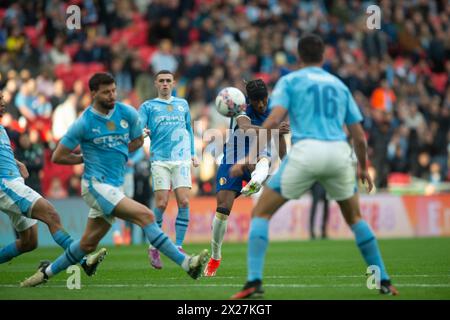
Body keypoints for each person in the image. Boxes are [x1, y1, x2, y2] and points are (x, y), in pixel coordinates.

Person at [229, 34, 398, 299]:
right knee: (355, 219)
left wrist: (249, 155)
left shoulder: (291, 81)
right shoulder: (339, 85)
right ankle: (384, 279)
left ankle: (254, 282)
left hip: (307, 151)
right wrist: (363, 167)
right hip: (339, 154)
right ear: (323, 57)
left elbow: (273, 120)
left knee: (261, 213)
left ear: (298, 56)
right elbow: (357, 134)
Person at [20, 73, 208, 287]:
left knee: (87, 244)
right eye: (106, 92)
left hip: (114, 186)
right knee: (146, 214)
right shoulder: (84, 123)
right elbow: (58, 156)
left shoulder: (126, 112)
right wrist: (84, 157)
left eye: (113, 91)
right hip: (95, 185)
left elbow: (138, 140)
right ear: (93, 93)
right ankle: (187, 263)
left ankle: (45, 274)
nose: (112, 96)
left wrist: (120, 151)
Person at [0, 90, 102, 276]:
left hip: (13, 182)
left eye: (2, 98)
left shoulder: (2, 129)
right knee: (51, 215)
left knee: (29, 242)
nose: (3, 103)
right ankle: (84, 261)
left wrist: (17, 163)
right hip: (6, 185)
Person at [203, 79, 289, 277]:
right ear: (249, 100)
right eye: (256, 101)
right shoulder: (242, 110)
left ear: (267, 97)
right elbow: (245, 128)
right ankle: (216, 257)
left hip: (257, 156)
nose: (261, 104)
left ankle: (255, 182)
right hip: (233, 159)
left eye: (263, 100)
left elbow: (280, 143)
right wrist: (274, 130)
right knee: (223, 209)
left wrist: (287, 166)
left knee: (263, 159)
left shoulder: (274, 112)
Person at [138, 70, 199, 269]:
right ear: (156, 84)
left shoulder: (183, 104)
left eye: (168, 81)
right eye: (161, 81)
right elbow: (138, 129)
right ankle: (154, 246)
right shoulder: (148, 106)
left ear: (173, 83)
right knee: (162, 203)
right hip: (160, 160)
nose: (165, 84)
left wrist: (193, 152)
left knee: (183, 200)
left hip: (181, 160)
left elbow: (188, 129)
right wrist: (143, 133)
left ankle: (179, 246)